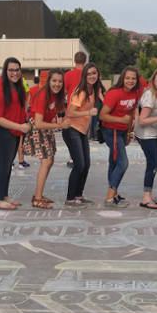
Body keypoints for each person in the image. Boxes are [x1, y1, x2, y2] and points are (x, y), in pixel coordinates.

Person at [0, 58, 30, 210]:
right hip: (0, 126)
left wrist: (24, 123)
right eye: (11, 70)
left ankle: (4, 195)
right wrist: (20, 126)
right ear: (5, 71)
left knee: (9, 161)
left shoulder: (18, 84)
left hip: (14, 124)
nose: (15, 73)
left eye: (17, 70)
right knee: (3, 162)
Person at [23, 69, 70, 209]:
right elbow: (38, 123)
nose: (57, 84)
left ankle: (39, 194)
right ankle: (37, 198)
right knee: (46, 162)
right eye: (54, 80)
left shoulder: (57, 95)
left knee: (50, 161)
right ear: (48, 81)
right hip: (38, 128)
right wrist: (59, 125)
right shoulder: (42, 95)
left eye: (60, 81)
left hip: (47, 128)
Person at [100, 66, 142, 208]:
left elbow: (130, 114)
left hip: (123, 132)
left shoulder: (135, 92)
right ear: (122, 78)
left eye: (133, 78)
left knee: (114, 162)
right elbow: (102, 115)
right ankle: (109, 199)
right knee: (123, 163)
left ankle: (114, 195)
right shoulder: (114, 93)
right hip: (111, 131)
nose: (130, 81)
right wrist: (120, 120)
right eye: (127, 78)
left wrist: (129, 133)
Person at [63, 63, 101, 207]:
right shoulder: (81, 92)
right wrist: (89, 112)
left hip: (82, 130)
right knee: (79, 165)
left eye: (94, 73)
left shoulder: (94, 90)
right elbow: (70, 112)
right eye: (88, 74)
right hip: (72, 129)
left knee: (86, 164)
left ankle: (78, 195)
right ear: (84, 76)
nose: (91, 76)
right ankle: (70, 199)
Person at [136, 68, 157, 209]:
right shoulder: (150, 96)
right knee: (153, 164)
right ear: (153, 81)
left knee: (154, 164)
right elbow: (142, 120)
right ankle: (146, 198)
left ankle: (149, 195)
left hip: (155, 132)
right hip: (146, 134)